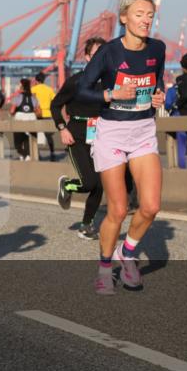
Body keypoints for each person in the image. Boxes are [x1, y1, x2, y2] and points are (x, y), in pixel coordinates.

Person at [75, 0, 166, 295]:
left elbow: (158, 80)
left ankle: (126, 254)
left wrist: (159, 95)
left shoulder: (158, 48)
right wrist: (110, 94)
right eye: (139, 15)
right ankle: (104, 268)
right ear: (124, 18)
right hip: (112, 132)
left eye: (150, 15)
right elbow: (83, 90)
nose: (146, 21)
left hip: (143, 132)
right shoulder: (109, 53)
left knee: (151, 206)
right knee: (118, 209)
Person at [52, 37, 111, 239]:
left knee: (100, 184)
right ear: (87, 57)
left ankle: (86, 225)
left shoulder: (111, 83)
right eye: (95, 55)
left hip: (101, 135)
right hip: (75, 134)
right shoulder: (75, 81)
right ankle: (67, 185)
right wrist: (62, 128)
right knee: (88, 183)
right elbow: (55, 105)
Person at [8, 78, 40, 160]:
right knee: (28, 138)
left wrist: (13, 113)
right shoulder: (34, 98)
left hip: (20, 118)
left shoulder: (17, 97)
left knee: (18, 139)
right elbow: (38, 111)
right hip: (31, 117)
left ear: (21, 87)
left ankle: (22, 153)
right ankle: (28, 155)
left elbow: (12, 111)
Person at [31, 72, 57, 161]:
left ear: (36, 80)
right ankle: (52, 153)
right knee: (48, 135)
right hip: (47, 114)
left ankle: (37, 154)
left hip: (37, 114)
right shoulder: (49, 89)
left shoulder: (33, 89)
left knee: (35, 135)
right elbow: (55, 101)